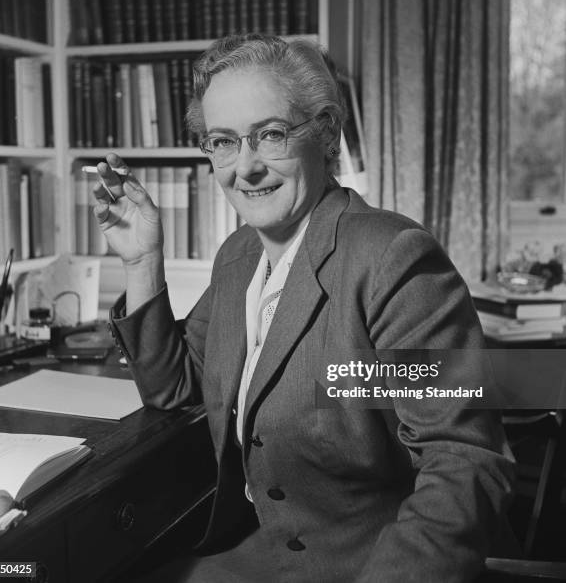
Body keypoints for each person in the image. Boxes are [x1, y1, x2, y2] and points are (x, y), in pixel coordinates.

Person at [99, 35, 514, 582]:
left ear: (324, 134)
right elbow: (176, 386)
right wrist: (143, 259)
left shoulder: (391, 259)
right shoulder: (240, 256)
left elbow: (465, 463)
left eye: (269, 135)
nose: (244, 167)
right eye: (222, 142)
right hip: (255, 553)